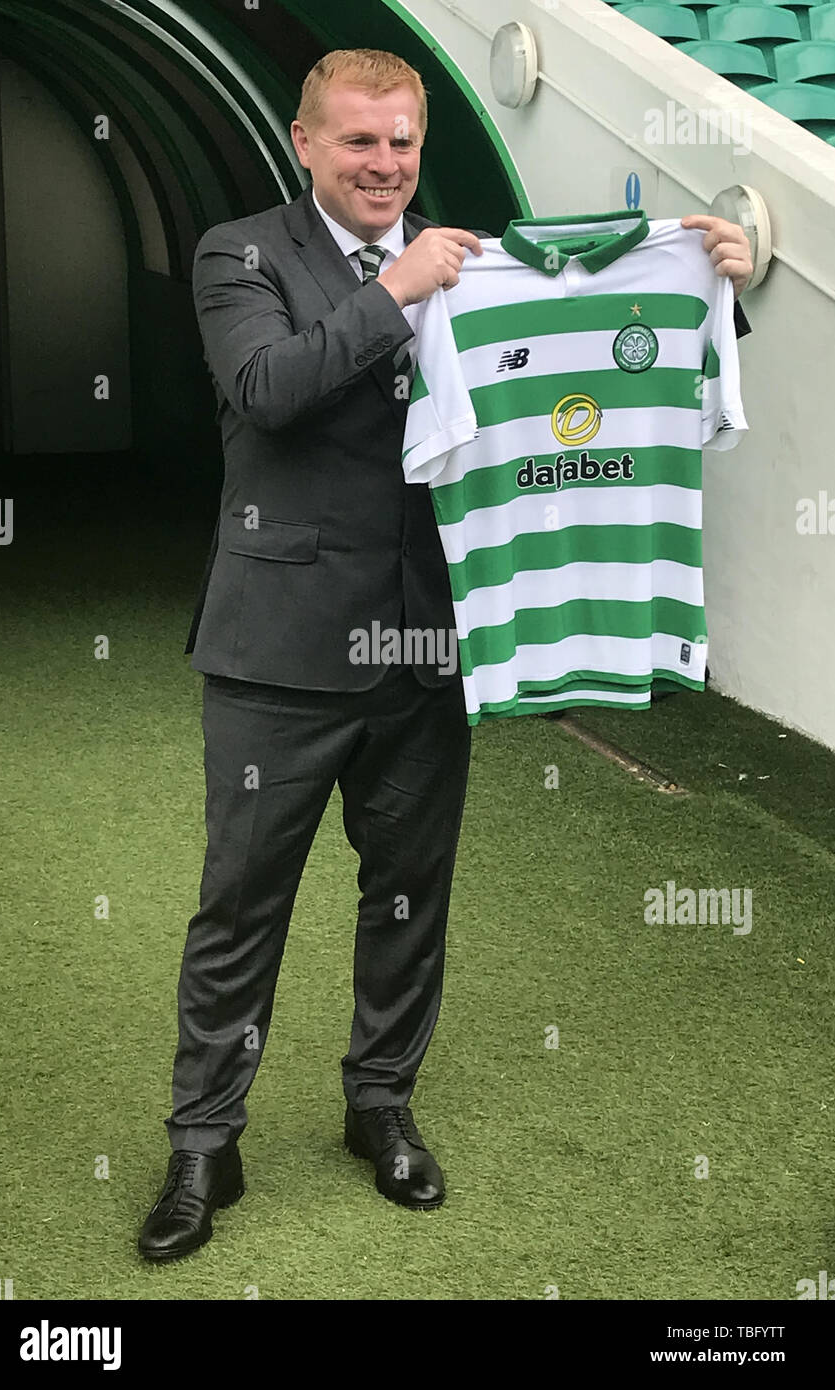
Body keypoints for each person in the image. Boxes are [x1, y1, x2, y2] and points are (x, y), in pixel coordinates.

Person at [138, 47, 754, 1262]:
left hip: (429, 646)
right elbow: (265, 389)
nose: (384, 164)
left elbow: (585, 358)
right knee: (238, 908)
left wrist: (714, 293)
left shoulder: (477, 270)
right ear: (305, 143)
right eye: (359, 141)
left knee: (407, 898)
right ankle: (205, 1140)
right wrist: (399, 289)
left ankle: (382, 1107)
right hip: (278, 654)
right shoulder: (239, 253)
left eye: (403, 142)